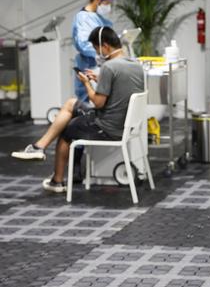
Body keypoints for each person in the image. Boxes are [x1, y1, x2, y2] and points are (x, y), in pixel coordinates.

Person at [11, 27, 144, 193]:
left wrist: (86, 83)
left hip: (108, 127)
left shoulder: (109, 67)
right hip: (125, 123)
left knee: (67, 130)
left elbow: (98, 103)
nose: (97, 53)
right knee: (71, 103)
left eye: (96, 48)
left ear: (105, 46)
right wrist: (100, 79)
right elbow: (121, 86)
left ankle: (56, 181)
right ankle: (39, 147)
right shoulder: (135, 64)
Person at [72, 0, 116, 103]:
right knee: (88, 104)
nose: (109, 6)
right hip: (89, 65)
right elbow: (84, 44)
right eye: (107, 3)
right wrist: (100, 54)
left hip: (99, 66)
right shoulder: (83, 18)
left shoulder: (98, 18)